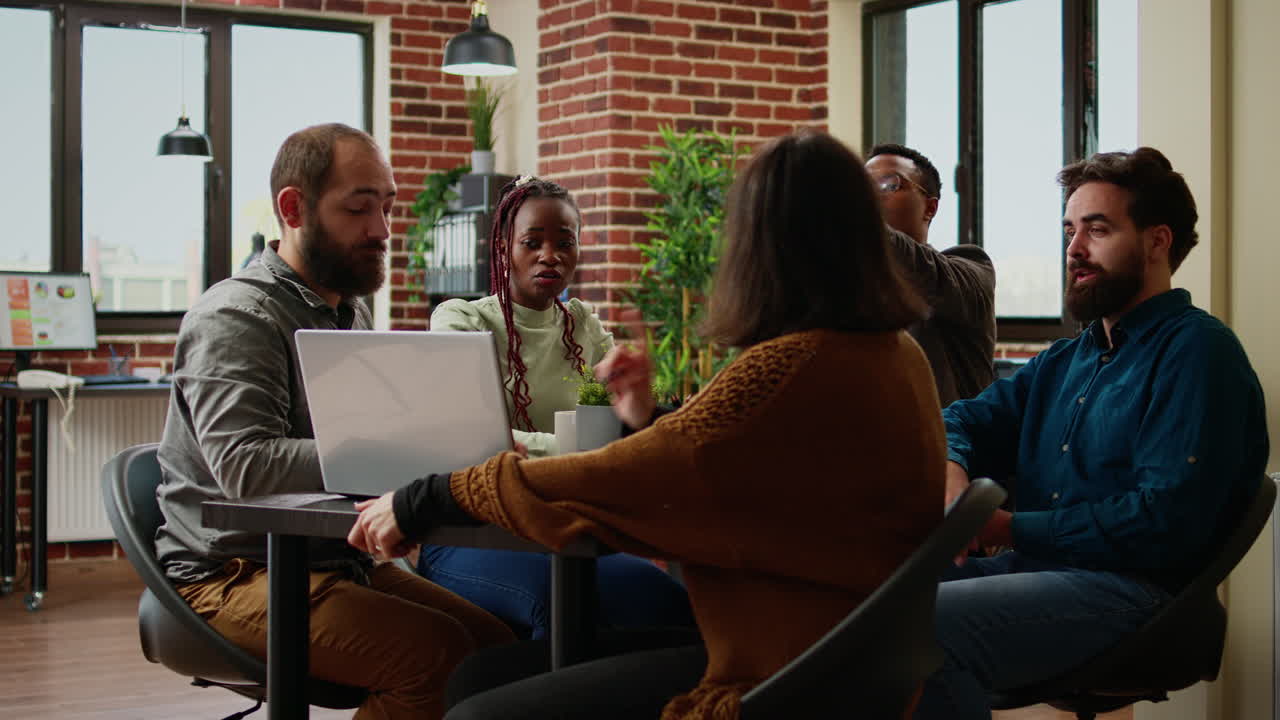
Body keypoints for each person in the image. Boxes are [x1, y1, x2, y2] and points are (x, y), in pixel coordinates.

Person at [349, 129, 947, 720]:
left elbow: (622, 473)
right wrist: (648, 419)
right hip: (859, 662)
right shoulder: (896, 355)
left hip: (784, 679)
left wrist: (431, 495)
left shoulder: (785, 370)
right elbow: (704, 454)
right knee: (483, 675)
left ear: (760, 245)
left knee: (477, 708)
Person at [154, 123, 514, 720]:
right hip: (231, 573)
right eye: (358, 209)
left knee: (497, 652)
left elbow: (353, 443)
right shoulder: (237, 316)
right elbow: (246, 466)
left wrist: (433, 451)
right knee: (435, 656)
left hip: (332, 558)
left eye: (387, 207)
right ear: (293, 209)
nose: (382, 230)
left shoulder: (348, 309)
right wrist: (416, 453)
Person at [912, 147, 1269, 719]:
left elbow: (1164, 520)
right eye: (1069, 230)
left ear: (1157, 241)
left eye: (1097, 230)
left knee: (917, 629)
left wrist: (1009, 527)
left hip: (1138, 593)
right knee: (861, 603)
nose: (1074, 248)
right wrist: (952, 474)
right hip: (1042, 572)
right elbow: (962, 419)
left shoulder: (1198, 352)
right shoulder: (1066, 359)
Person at [420, 175, 694, 640]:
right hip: (470, 528)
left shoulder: (584, 325)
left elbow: (627, 428)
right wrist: (585, 452)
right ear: (504, 248)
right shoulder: (461, 320)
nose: (551, 255)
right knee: (563, 606)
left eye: (565, 242)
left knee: (672, 603)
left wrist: (645, 404)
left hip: (565, 526)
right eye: (532, 243)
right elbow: (473, 441)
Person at [866, 143, 997, 405]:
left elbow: (929, 276)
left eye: (889, 185)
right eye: (864, 187)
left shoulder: (970, 266)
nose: (870, 197)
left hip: (943, 431)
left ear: (930, 208)